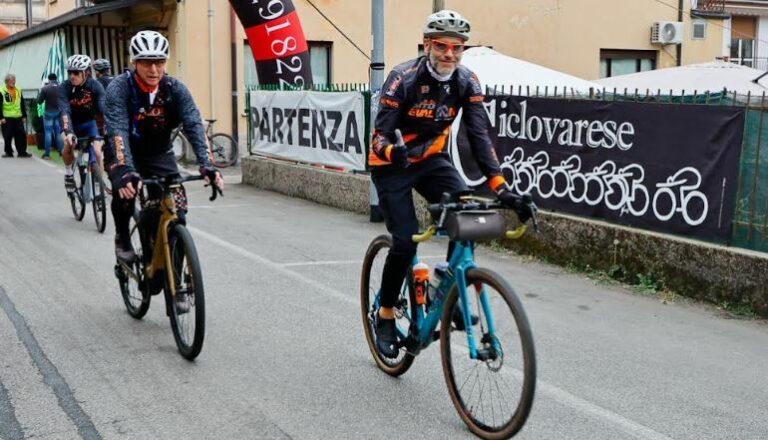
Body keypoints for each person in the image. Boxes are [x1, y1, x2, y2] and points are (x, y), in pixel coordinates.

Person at [368, 10, 535, 358]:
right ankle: (385, 315)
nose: (450, 54)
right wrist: (391, 152)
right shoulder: (402, 79)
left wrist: (502, 188)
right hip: (392, 165)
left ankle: (446, 287)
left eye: (457, 48)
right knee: (404, 240)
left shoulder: (467, 81)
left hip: (431, 160)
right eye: (442, 46)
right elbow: (378, 137)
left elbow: (479, 137)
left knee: (468, 214)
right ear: (427, 44)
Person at [103, 30, 223, 263]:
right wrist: (124, 170)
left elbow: (194, 124)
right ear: (134, 62)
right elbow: (117, 130)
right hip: (124, 151)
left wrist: (207, 165)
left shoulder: (174, 89)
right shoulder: (119, 89)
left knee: (177, 212)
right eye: (147, 63)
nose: (154, 70)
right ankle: (123, 236)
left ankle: (177, 282)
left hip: (159, 153)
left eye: (159, 62)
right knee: (126, 192)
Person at [59, 54, 106, 192]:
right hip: (70, 124)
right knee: (69, 144)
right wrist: (68, 132)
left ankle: (99, 183)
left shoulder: (95, 85)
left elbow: (103, 105)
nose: (72, 76)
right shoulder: (64, 87)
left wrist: (110, 123)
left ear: (85, 72)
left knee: (97, 152)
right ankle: (68, 174)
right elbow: (64, 110)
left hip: (89, 123)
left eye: (76, 73)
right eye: (69, 72)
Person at [0, 74, 31, 158]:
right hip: (7, 117)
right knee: (7, 135)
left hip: (18, 117)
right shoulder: (1, 90)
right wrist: (1, 117)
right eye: (12, 80)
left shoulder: (18, 89)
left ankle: (22, 152)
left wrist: (24, 115)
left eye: (14, 80)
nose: (14, 82)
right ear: (6, 81)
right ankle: (8, 152)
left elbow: (22, 103)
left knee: (21, 134)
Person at [37, 73, 64, 159]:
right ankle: (61, 152)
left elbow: (39, 101)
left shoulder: (45, 88)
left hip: (48, 112)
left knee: (48, 133)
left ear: (48, 79)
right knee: (58, 132)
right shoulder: (61, 88)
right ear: (56, 78)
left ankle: (47, 154)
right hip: (59, 112)